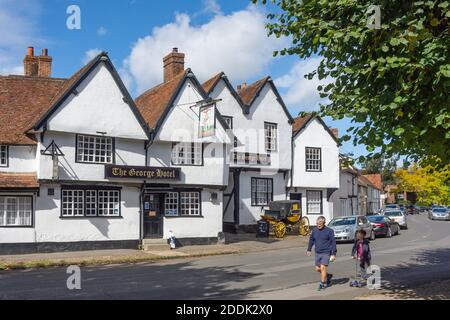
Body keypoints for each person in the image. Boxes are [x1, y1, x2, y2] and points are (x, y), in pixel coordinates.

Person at [306, 216, 337, 290]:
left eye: (320, 223)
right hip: (318, 252)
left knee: (323, 268)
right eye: (317, 223)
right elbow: (311, 240)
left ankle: (323, 283)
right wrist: (309, 249)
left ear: (324, 223)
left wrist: (333, 253)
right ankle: (328, 276)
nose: (318, 225)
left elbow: (333, 242)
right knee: (317, 269)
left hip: (326, 252)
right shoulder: (314, 230)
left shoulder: (329, 231)